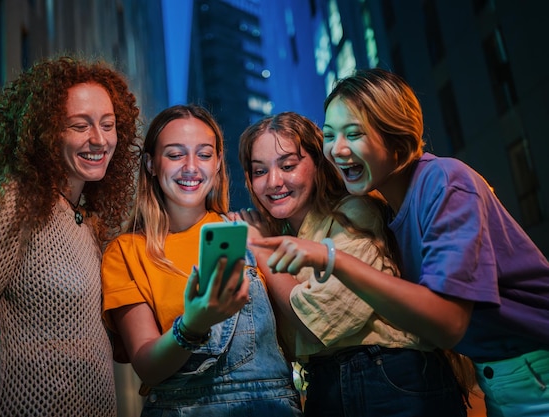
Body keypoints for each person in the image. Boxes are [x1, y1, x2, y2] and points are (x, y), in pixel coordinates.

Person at [252, 68, 549, 417]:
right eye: (330, 135)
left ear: (397, 138)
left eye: (354, 133)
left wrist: (332, 259)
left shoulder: (445, 182)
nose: (337, 149)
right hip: (500, 376)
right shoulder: (392, 209)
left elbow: (448, 322)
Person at [0, 55, 143, 416]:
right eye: (80, 125)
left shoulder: (89, 223)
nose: (99, 139)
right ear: (46, 131)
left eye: (108, 125)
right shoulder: (11, 199)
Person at [233, 111, 469, 416]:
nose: (274, 181)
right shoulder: (284, 233)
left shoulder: (353, 212)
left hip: (387, 373)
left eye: (288, 165)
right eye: (259, 171)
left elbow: (316, 319)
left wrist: (259, 247)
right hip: (324, 382)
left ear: (318, 164)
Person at [100, 104, 303, 416]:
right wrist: (192, 326)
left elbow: (305, 322)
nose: (191, 166)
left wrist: (262, 246)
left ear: (219, 163)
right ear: (151, 164)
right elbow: (147, 367)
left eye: (204, 154)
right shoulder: (126, 252)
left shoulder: (250, 232)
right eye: (175, 154)